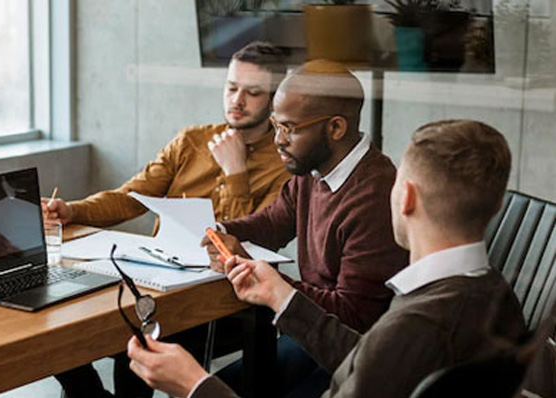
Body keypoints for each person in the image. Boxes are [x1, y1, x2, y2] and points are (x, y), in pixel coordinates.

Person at [127, 119, 527, 398]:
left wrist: (194, 384)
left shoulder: (415, 322)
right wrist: (281, 296)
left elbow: (384, 354)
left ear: (406, 197)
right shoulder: (496, 298)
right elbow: (374, 363)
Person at [45, 41, 292, 398]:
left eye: (252, 93)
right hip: (158, 279)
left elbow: (252, 245)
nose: (237, 101)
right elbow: (131, 198)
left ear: (273, 99)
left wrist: (236, 173)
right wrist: (73, 210)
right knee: (65, 325)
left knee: (137, 335)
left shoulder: (284, 165)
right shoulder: (192, 140)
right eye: (231, 88)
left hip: (222, 299)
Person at [199, 60, 408, 397]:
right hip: (307, 332)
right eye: (275, 126)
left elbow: (352, 318)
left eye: (289, 128)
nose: (278, 141)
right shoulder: (314, 171)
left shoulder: (375, 196)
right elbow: (271, 223)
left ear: (336, 128)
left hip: (349, 358)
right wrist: (218, 230)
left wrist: (268, 280)